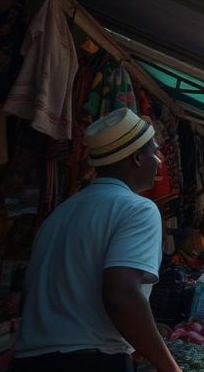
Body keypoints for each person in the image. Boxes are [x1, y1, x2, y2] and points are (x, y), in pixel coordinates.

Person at [11, 108, 179, 372]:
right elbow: (121, 295)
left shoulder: (62, 212)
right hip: (89, 362)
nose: (159, 161)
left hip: (27, 360)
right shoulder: (138, 209)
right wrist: (169, 367)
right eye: (153, 152)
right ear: (136, 157)